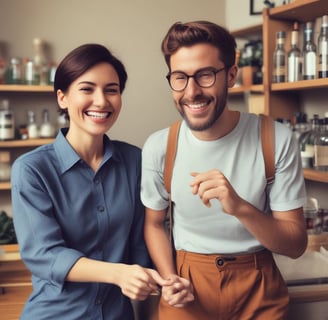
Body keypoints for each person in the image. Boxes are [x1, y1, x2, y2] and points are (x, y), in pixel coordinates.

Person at [141, 21, 308, 319]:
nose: (191, 92)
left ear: (231, 75)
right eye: (179, 77)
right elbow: (154, 224)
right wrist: (169, 278)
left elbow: (295, 245)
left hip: (259, 289)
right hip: (187, 289)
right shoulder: (159, 147)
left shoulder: (275, 139)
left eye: (205, 75)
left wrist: (240, 207)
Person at [11, 43, 166, 320]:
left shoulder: (135, 161)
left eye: (112, 89)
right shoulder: (32, 170)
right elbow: (44, 254)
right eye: (87, 89)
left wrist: (163, 281)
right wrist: (119, 273)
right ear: (62, 98)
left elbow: (142, 246)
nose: (102, 101)